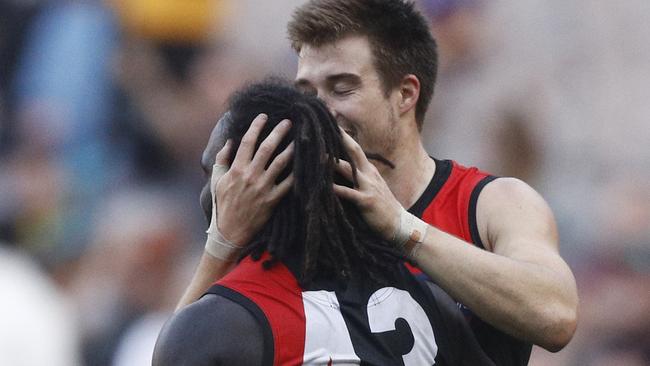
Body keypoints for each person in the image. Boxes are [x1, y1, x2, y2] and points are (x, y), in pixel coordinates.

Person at [176, 0, 579, 363]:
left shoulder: (491, 203)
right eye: (307, 92)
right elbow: (186, 350)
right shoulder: (298, 211)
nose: (318, 110)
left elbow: (556, 316)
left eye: (341, 87)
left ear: (405, 94)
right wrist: (222, 245)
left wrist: (402, 228)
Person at [153, 79, 497, 365]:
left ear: (240, 184)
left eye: (208, 171)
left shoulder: (221, 324)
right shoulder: (426, 299)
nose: (204, 187)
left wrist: (218, 249)